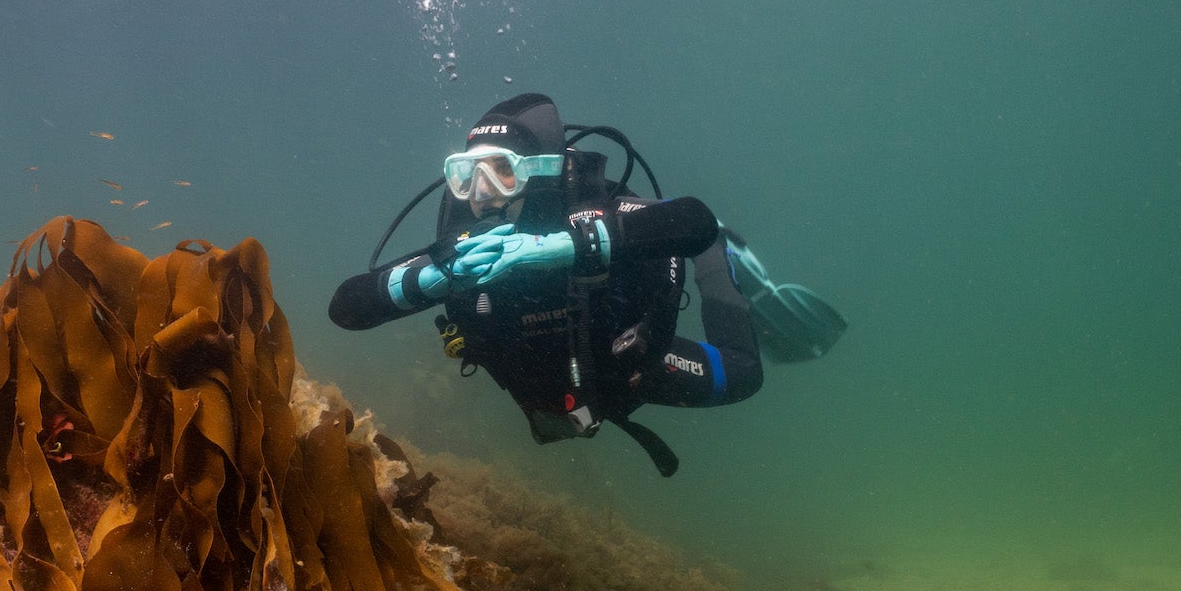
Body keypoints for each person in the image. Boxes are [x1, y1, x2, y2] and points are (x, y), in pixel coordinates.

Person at [327, 93, 845, 476]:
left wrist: (567, 245)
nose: (480, 196)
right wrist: (432, 278)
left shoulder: (593, 210)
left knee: (744, 375)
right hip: (560, 391)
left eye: (502, 175)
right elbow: (346, 307)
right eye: (465, 176)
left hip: (628, 366)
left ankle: (723, 262)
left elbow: (691, 220)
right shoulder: (464, 252)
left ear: (544, 172)